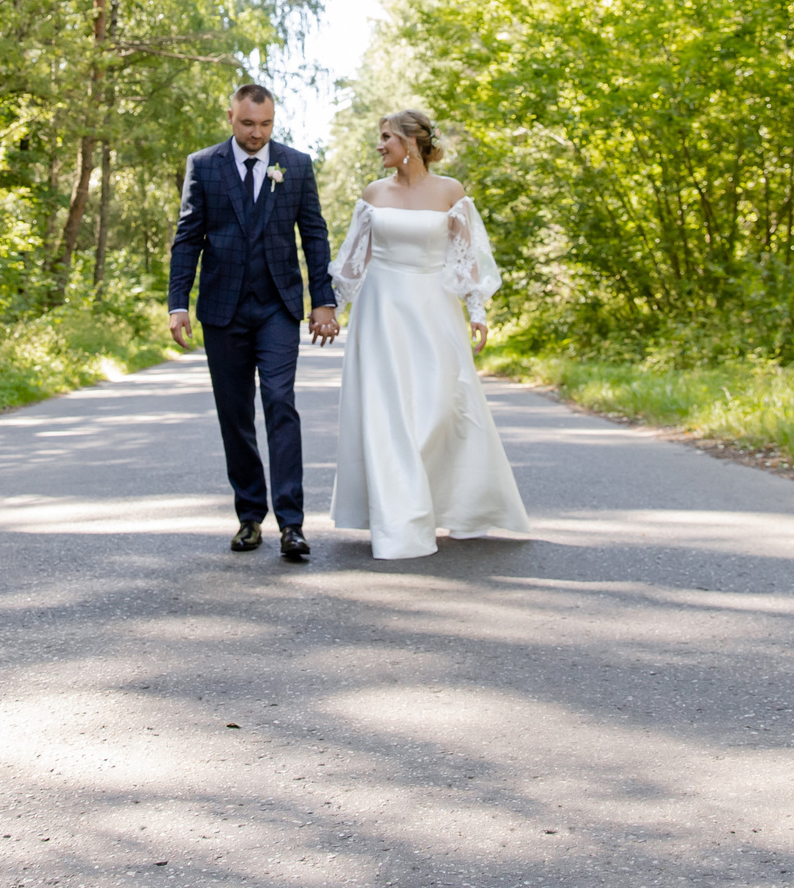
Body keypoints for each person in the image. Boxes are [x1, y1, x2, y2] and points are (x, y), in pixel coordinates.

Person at [328, 108, 529, 560]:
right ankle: (400, 515)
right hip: (381, 309)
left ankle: (447, 500)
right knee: (387, 413)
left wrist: (476, 309)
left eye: (386, 138)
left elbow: (466, 256)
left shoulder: (450, 192)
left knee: (438, 406)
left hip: (433, 306)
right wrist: (332, 308)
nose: (379, 146)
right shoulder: (373, 193)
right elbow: (354, 260)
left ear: (412, 143)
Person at [169, 83, 339, 561]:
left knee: (280, 403)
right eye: (247, 124)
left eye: (265, 125)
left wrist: (323, 300)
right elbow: (188, 238)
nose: (257, 134)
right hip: (223, 310)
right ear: (230, 117)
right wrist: (177, 302)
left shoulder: (297, 164)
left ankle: (292, 524)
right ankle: (249, 516)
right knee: (235, 414)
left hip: (278, 306)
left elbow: (314, 234)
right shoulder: (203, 166)